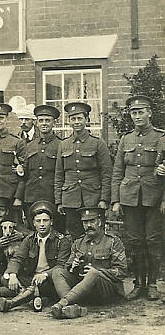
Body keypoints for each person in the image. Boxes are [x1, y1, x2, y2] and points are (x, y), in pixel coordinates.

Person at [111, 95, 164, 300]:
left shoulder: (161, 138)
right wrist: (115, 200)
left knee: (153, 240)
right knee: (134, 241)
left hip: (153, 198)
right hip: (129, 198)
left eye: (141, 112)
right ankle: (138, 283)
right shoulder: (126, 139)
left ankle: (151, 284)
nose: (137, 116)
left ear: (149, 113)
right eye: (134, 113)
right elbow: (118, 171)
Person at [50, 207, 128, 319]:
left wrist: (98, 272)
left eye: (92, 221)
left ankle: (62, 303)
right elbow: (68, 266)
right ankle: (73, 308)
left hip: (105, 290)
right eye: (85, 222)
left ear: (100, 222)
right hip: (83, 291)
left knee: (93, 273)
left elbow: (121, 271)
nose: (88, 225)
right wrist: (73, 267)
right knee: (57, 272)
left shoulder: (113, 241)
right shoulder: (78, 242)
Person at [0, 201, 70, 312]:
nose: (42, 224)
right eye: (38, 221)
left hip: (50, 280)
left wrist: (45, 274)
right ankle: (32, 296)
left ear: (51, 222)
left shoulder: (61, 241)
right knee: (6, 278)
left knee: (39, 285)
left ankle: (11, 303)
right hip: (32, 277)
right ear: (34, 223)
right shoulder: (29, 239)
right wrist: (12, 274)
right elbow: (18, 258)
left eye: (45, 220)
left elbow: (61, 265)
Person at [54, 102, 112, 239]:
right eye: (73, 119)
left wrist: (104, 199)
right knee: (75, 236)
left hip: (93, 198)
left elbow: (106, 173)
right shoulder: (64, 144)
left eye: (80, 118)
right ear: (69, 121)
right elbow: (59, 175)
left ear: (86, 119)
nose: (76, 122)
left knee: (96, 235)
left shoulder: (97, 143)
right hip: (70, 199)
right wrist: (59, 201)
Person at [24, 105, 63, 232]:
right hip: (31, 197)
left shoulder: (61, 145)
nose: (44, 124)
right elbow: (25, 175)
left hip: (51, 196)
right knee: (33, 232)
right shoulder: (30, 146)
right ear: (36, 123)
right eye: (41, 120)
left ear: (54, 122)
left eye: (48, 120)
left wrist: (59, 200)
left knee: (55, 231)